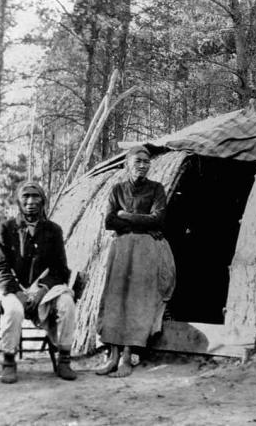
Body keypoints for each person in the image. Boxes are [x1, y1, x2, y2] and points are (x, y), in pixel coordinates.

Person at [95, 145, 176, 377]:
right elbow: (109, 222)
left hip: (145, 250)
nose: (142, 165)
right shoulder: (117, 189)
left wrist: (126, 216)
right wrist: (142, 221)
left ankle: (127, 358)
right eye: (137, 161)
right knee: (114, 299)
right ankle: (112, 357)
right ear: (126, 164)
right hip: (121, 249)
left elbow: (159, 219)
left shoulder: (156, 189)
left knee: (136, 301)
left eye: (146, 161)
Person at [0, 181, 77, 384]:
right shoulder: (6, 228)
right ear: (19, 202)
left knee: (66, 303)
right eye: (26, 197)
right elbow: (0, 269)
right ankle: (9, 361)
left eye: (35, 197)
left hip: (42, 288)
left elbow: (60, 269)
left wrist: (42, 289)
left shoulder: (53, 230)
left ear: (43, 201)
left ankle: (64, 358)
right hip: (11, 287)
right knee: (13, 310)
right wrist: (17, 292)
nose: (31, 202)